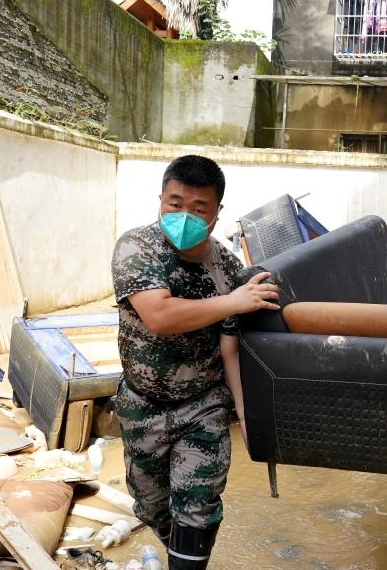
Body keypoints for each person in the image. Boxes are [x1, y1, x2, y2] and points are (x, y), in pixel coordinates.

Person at [110, 155, 280, 570]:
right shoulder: (137, 247)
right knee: (150, 506)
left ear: (216, 213)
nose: (183, 215)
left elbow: (232, 347)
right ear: (160, 200)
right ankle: (180, 554)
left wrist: (245, 410)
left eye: (198, 208)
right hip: (142, 404)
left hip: (202, 405)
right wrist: (232, 301)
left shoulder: (227, 268)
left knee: (198, 505)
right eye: (174, 203)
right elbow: (159, 316)